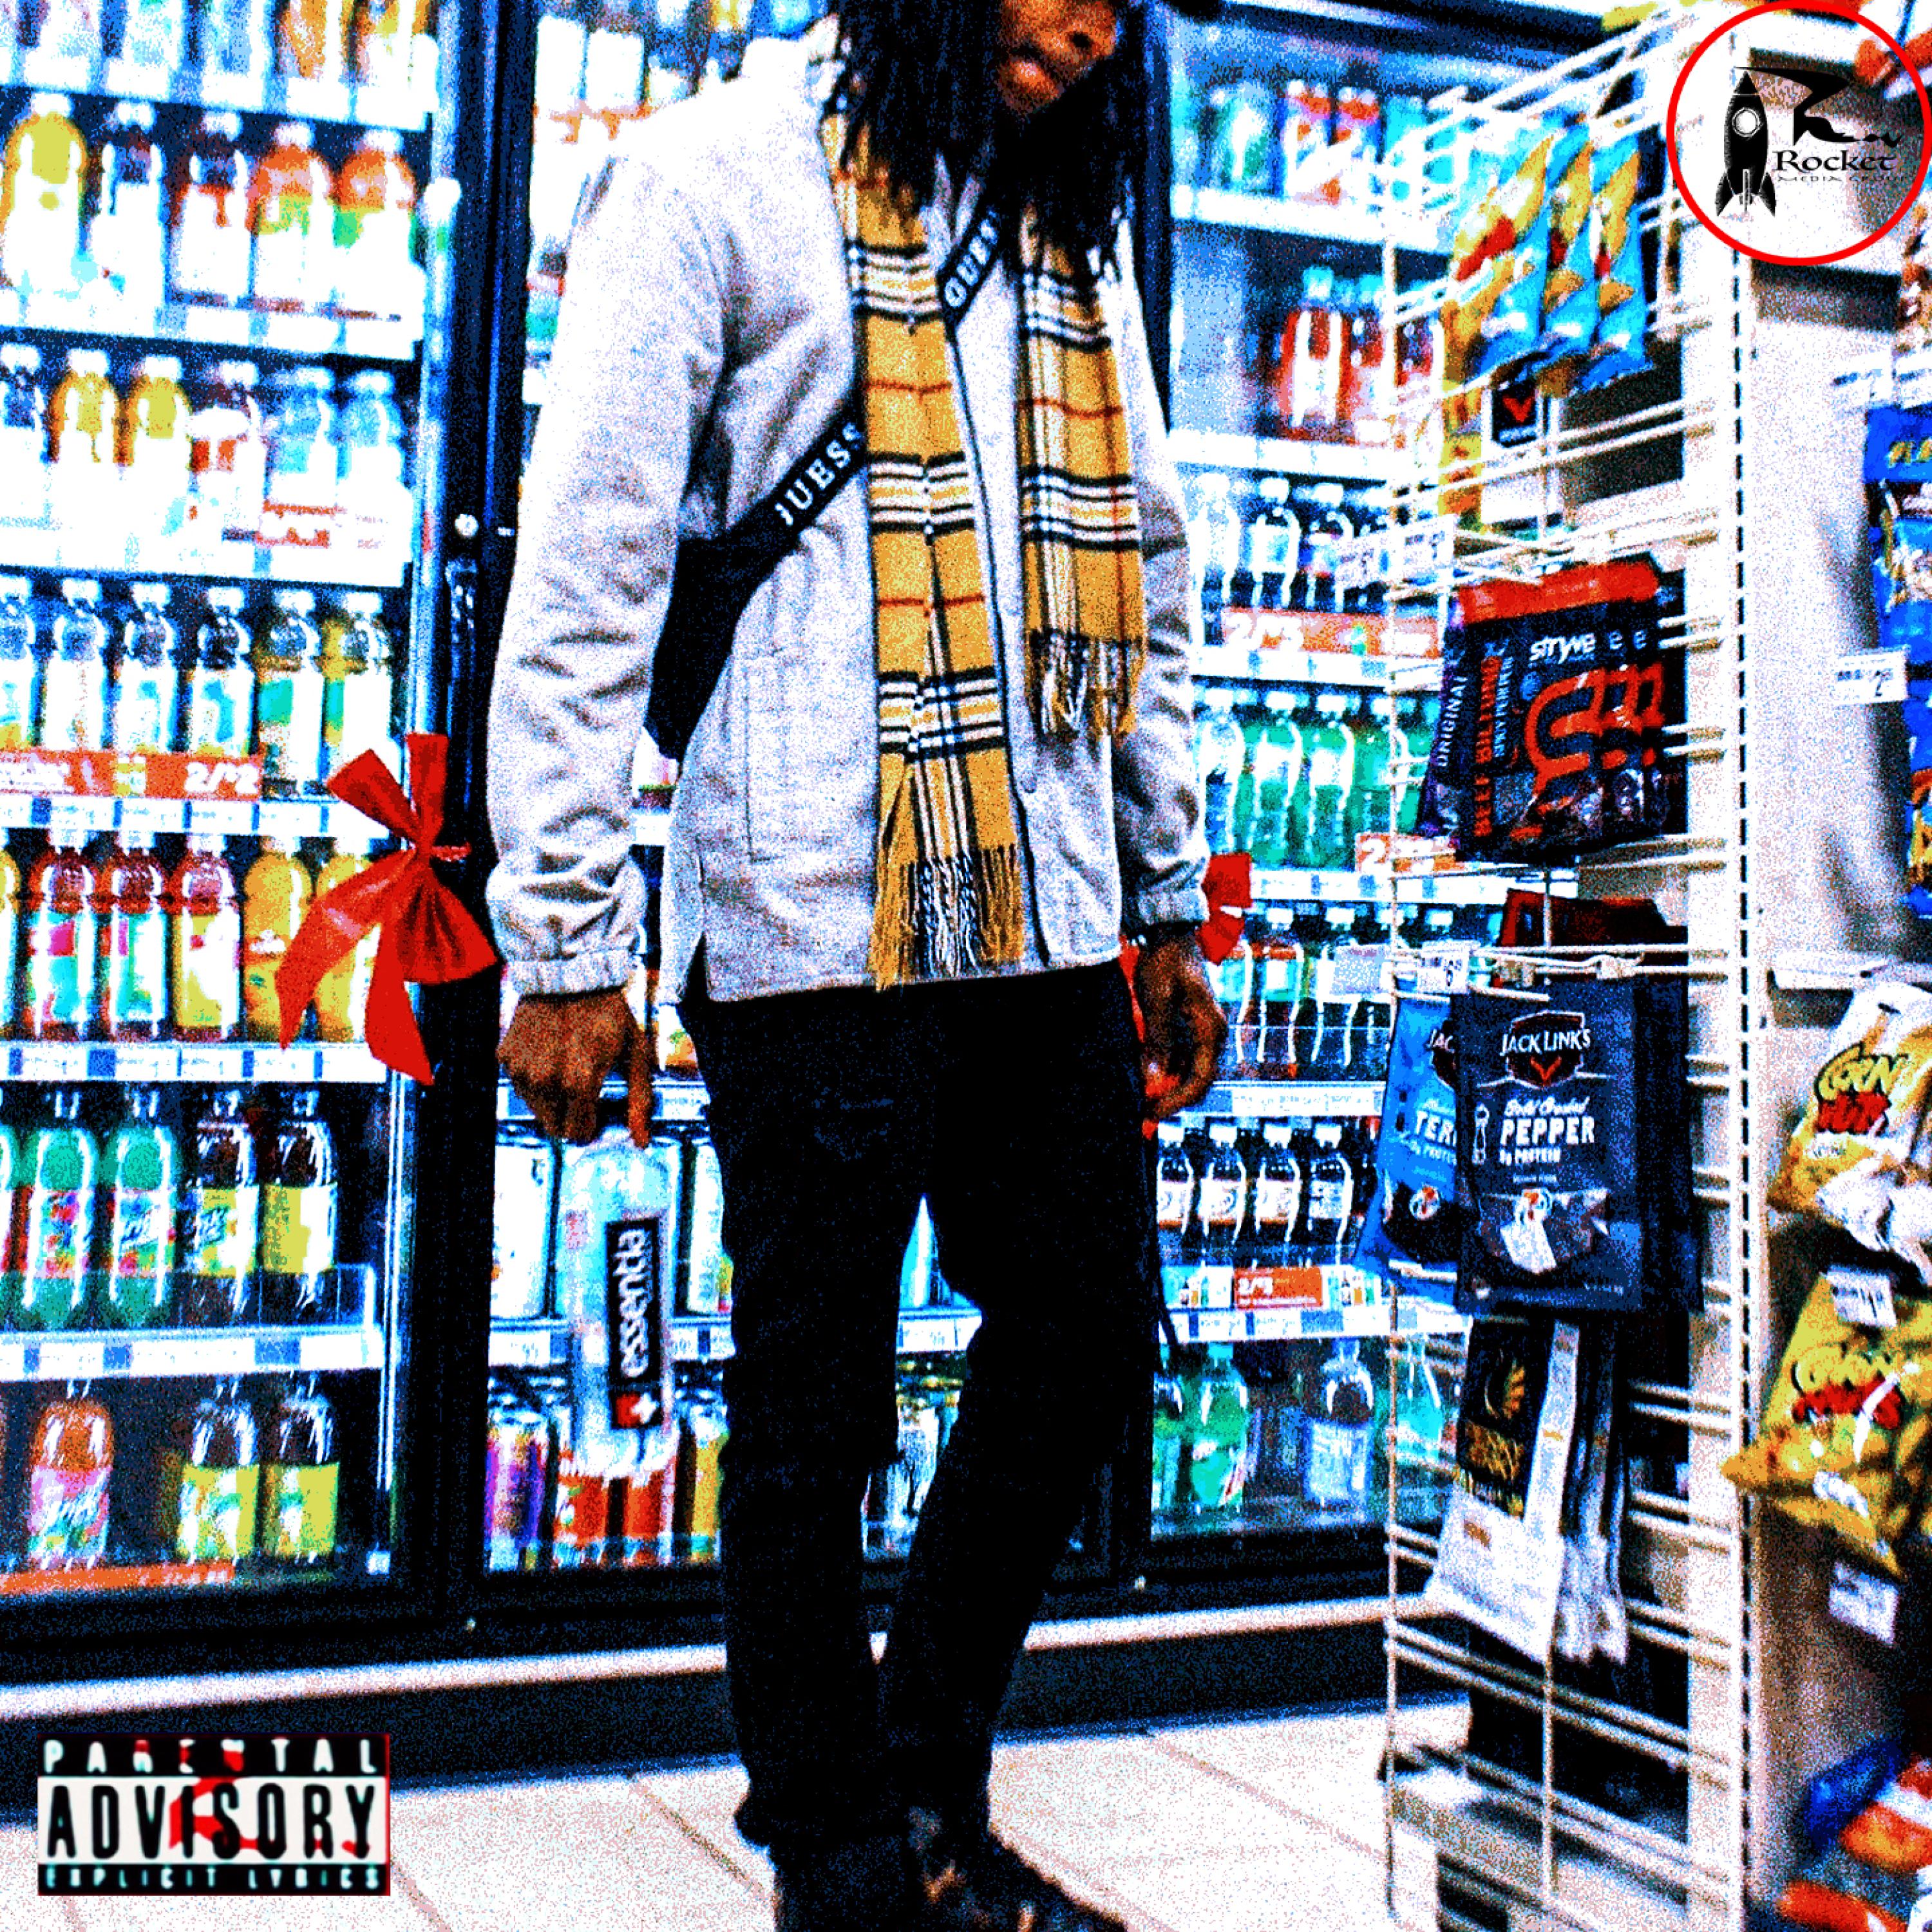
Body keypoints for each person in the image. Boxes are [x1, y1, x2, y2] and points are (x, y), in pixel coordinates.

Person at [488, 2, 1226, 1926]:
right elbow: (586, 570)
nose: (1092, 24)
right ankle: (838, 1856)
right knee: (814, 1404)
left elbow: (1141, 569)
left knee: (1089, 1338)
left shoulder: (1065, 222)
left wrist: (1166, 893)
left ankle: (926, 1785)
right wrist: (562, 939)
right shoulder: (704, 178)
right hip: (812, 903)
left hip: (1047, 909)